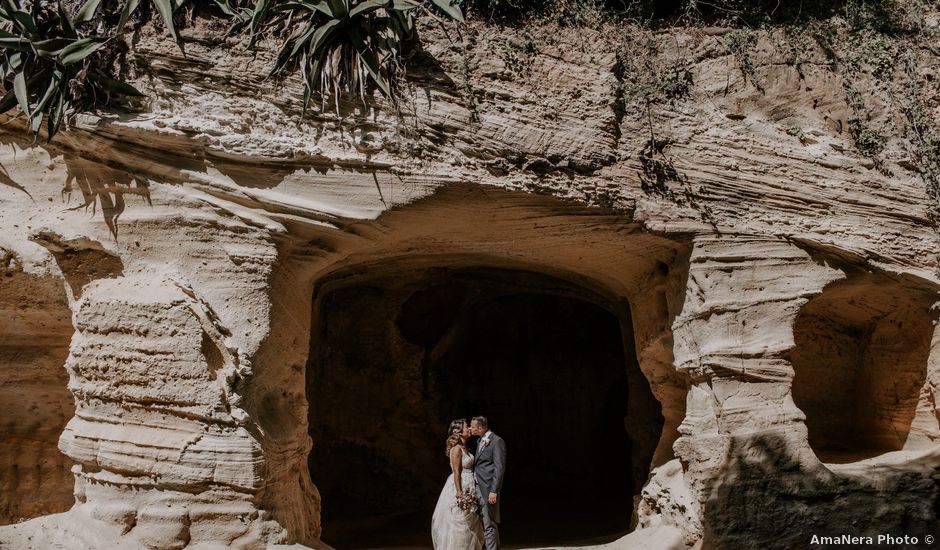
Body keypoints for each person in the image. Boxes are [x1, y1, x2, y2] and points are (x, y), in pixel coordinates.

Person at [431, 419, 485, 549]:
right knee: (460, 518)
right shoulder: (456, 449)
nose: (469, 429)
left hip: (470, 483)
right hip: (461, 483)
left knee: (471, 516)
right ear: (460, 432)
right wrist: (459, 492)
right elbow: (456, 472)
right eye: (467, 427)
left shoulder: (466, 447)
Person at [470, 416, 506, 550]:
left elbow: (499, 468)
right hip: (478, 486)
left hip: (487, 488)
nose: (470, 428)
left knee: (489, 522)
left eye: (472, 426)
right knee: (484, 522)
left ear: (480, 428)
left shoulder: (497, 441)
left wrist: (494, 490)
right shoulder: (480, 440)